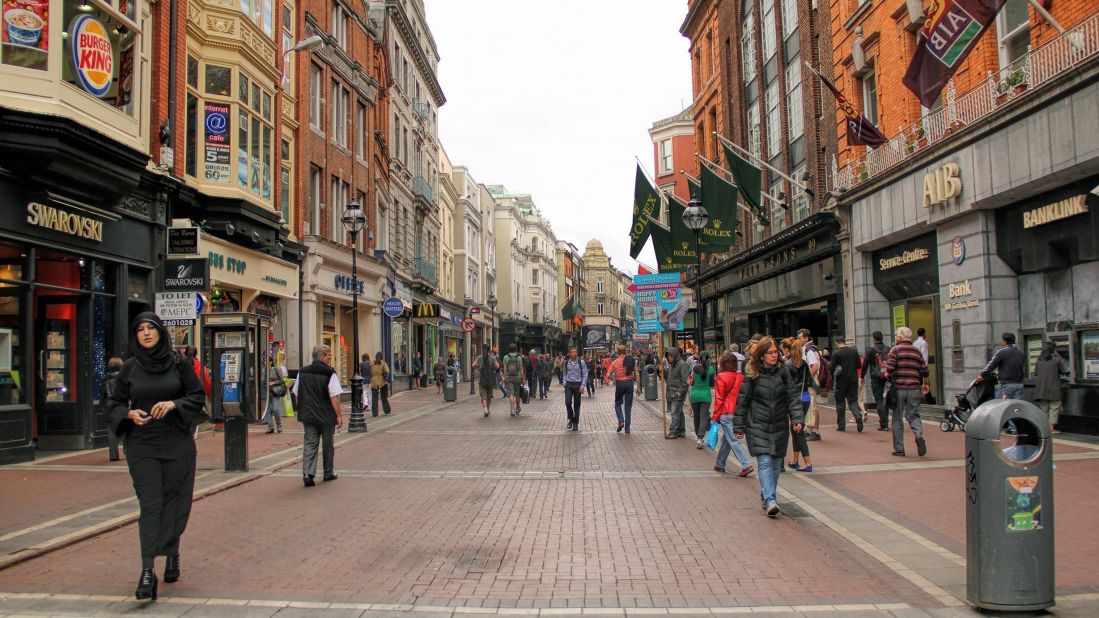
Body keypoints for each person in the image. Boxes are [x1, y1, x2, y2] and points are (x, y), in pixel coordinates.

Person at [107, 313, 206, 601]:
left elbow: (197, 396)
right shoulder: (129, 369)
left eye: (151, 328)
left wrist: (174, 403)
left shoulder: (180, 364)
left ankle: (172, 551)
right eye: (140, 329)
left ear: (161, 332)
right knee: (150, 505)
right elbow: (113, 402)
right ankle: (147, 570)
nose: (146, 333)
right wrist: (127, 413)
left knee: (175, 500)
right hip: (143, 444)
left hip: (176, 443)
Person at [733, 336, 803, 518]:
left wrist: (797, 418)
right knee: (764, 461)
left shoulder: (783, 372)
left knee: (776, 464)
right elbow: (742, 401)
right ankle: (771, 499)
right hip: (758, 424)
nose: (774, 355)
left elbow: (792, 398)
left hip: (779, 424)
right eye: (770, 353)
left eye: (775, 352)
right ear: (761, 355)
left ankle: (766, 496)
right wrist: (739, 426)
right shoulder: (752, 374)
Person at [293, 345, 343, 487]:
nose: (330, 358)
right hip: (326, 415)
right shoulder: (329, 373)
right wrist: (338, 415)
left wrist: (301, 409)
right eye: (328, 356)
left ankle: (308, 474)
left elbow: (297, 393)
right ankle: (328, 473)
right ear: (321, 356)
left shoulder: (302, 372)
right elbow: (334, 397)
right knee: (328, 445)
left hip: (308, 414)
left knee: (309, 443)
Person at [883, 326, 930, 457]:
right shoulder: (916, 351)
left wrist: (887, 373)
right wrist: (925, 383)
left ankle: (899, 449)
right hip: (914, 388)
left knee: (897, 418)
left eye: (896, 335)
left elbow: (890, 368)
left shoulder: (895, 350)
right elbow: (925, 370)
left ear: (899, 337)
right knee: (914, 414)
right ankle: (918, 435)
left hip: (899, 388)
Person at [711, 353, 753, 477]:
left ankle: (746, 464)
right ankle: (720, 463)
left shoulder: (721, 377)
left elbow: (719, 399)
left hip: (726, 412)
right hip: (738, 411)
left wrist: (715, 417)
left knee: (732, 439)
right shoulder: (740, 376)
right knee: (727, 439)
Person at [786, 342, 814, 473]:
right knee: (796, 428)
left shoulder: (788, 365)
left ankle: (807, 462)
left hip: (794, 399)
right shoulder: (804, 363)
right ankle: (795, 460)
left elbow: (787, 384)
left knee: (798, 430)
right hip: (806, 397)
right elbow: (809, 380)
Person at [978, 332, 1026, 400]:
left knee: (1002, 408)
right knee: (1015, 408)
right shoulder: (1020, 353)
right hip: (1019, 385)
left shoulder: (1002, 352)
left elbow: (991, 365)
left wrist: (981, 375)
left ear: (1005, 341)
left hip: (1007, 386)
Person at [830, 337, 864, 432]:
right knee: (853, 401)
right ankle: (858, 415)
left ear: (837, 343)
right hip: (853, 379)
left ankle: (841, 425)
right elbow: (858, 365)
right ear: (844, 342)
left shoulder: (836, 353)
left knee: (840, 403)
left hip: (841, 381)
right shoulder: (853, 351)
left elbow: (831, 367)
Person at [1033, 342, 1068, 433]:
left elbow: (1036, 373)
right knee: (1054, 408)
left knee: (1044, 409)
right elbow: (1063, 372)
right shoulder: (1057, 360)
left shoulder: (1039, 360)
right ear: (1052, 350)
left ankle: (1044, 428)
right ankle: (1051, 428)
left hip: (1041, 389)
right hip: (1054, 388)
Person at [796, 329, 822, 441]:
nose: (799, 340)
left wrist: (807, 379)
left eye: (800, 338)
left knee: (812, 407)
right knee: (812, 407)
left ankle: (814, 432)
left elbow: (814, 367)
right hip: (811, 383)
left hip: (810, 383)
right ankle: (811, 430)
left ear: (807, 338)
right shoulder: (809, 349)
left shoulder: (809, 351)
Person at [863, 331, 890, 431]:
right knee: (885, 399)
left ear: (874, 338)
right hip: (887, 377)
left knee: (879, 400)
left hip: (876, 377)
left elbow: (865, 364)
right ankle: (885, 421)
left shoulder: (870, 350)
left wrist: (862, 376)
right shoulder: (888, 349)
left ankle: (884, 424)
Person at [607, 343, 636, 433]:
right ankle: (627, 428)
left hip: (620, 383)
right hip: (629, 383)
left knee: (618, 403)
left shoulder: (614, 362)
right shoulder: (630, 360)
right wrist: (638, 387)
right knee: (628, 406)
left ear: (617, 352)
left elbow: (608, 375)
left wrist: (615, 380)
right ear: (625, 351)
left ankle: (621, 420)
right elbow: (637, 373)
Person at [689, 351, 715, 448]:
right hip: (706, 396)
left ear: (699, 359)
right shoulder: (711, 369)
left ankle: (698, 436)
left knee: (696, 417)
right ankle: (700, 438)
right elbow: (712, 384)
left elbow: (692, 382)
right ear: (708, 359)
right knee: (703, 417)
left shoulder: (695, 368)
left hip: (695, 395)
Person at [664, 347, 690, 439]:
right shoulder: (671, 365)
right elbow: (669, 378)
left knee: (674, 412)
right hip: (671, 392)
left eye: (670, 356)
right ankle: (681, 430)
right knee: (679, 412)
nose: (669, 358)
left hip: (677, 393)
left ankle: (673, 431)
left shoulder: (682, 364)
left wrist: (680, 392)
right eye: (668, 356)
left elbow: (685, 380)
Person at [102, 357, 124, 461]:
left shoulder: (105, 379)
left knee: (111, 430)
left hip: (109, 405)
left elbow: (103, 395)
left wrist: (103, 405)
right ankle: (127, 451)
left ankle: (113, 455)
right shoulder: (123, 377)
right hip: (121, 404)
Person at [562, 347, 588, 431]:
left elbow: (585, 374)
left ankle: (575, 423)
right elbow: (564, 373)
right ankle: (571, 419)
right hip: (569, 384)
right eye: (572, 352)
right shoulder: (566, 362)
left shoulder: (581, 362)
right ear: (569, 353)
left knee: (577, 405)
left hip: (578, 385)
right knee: (567, 402)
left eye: (575, 352)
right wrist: (564, 382)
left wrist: (582, 386)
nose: (574, 353)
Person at [471, 345, 500, 417]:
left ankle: (485, 409)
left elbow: (473, 365)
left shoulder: (479, 357)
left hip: (482, 379)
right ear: (488, 350)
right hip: (490, 379)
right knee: (489, 396)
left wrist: (479, 367)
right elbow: (497, 366)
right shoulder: (492, 358)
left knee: (483, 395)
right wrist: (492, 368)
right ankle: (488, 409)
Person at [264, 356, 287, 434]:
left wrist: (273, 382)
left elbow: (281, 380)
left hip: (275, 392)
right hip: (267, 393)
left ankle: (279, 425)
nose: (265, 363)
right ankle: (270, 427)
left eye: (266, 361)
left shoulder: (276, 369)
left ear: (270, 362)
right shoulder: (264, 371)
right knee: (267, 410)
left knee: (275, 409)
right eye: (264, 361)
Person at [502, 343, 525, 416]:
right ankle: (518, 407)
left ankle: (512, 409)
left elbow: (505, 369)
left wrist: (504, 378)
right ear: (515, 349)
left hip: (509, 378)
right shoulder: (518, 357)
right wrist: (523, 378)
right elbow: (521, 369)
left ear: (509, 349)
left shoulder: (505, 357)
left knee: (510, 394)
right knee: (517, 394)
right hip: (517, 377)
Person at [369, 352, 392, 416]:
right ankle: (386, 410)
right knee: (384, 397)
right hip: (382, 382)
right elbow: (387, 371)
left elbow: (370, 373)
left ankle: (375, 413)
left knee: (374, 399)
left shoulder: (372, 363)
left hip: (373, 382)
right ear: (382, 357)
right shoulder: (383, 363)